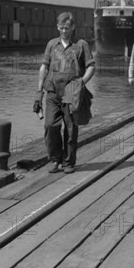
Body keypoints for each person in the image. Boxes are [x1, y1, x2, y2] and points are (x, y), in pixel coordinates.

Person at [34, 12, 95, 174]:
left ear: (73, 27)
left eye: (67, 28)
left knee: (70, 129)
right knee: (50, 126)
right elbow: (44, 67)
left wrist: (81, 82)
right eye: (61, 28)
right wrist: (39, 92)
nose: (64, 31)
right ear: (57, 27)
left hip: (71, 93)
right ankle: (55, 159)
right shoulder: (51, 45)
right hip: (53, 92)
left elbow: (91, 66)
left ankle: (68, 162)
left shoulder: (81, 45)